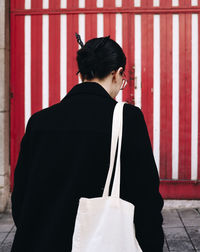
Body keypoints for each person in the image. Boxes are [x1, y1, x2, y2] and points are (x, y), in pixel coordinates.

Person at [11, 35, 164, 252]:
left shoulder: (39, 121)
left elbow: (20, 199)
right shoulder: (127, 119)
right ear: (117, 73)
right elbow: (146, 199)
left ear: (82, 73)